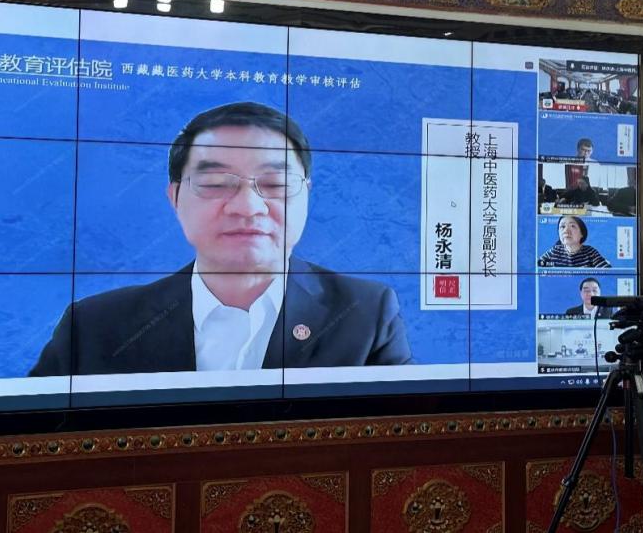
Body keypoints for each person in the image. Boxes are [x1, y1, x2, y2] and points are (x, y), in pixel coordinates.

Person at [30, 101, 412, 376]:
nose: (248, 207)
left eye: (275, 183)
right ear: (175, 198)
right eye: (215, 183)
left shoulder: (365, 315)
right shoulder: (94, 327)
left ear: (306, 195)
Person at [538, 215, 611, 268]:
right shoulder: (554, 251)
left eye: (572, 226)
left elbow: (607, 273)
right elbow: (537, 266)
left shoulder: (590, 252)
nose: (566, 231)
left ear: (582, 233)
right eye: (562, 227)